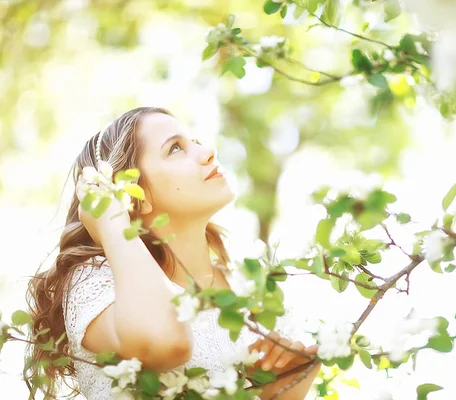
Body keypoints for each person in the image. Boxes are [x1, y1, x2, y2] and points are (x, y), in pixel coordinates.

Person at [24, 107, 321, 399]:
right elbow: (165, 344)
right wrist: (111, 221)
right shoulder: (98, 282)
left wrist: (284, 389)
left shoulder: (253, 290)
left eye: (195, 142)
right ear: (133, 197)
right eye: (175, 149)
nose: (208, 153)